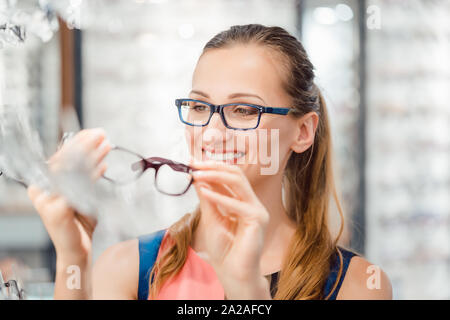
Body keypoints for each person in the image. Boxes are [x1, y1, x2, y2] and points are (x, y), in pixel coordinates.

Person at [27, 24, 392, 300]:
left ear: (302, 132)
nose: (212, 134)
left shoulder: (360, 285)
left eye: (244, 110)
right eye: (200, 106)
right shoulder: (127, 269)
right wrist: (72, 257)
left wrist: (246, 291)